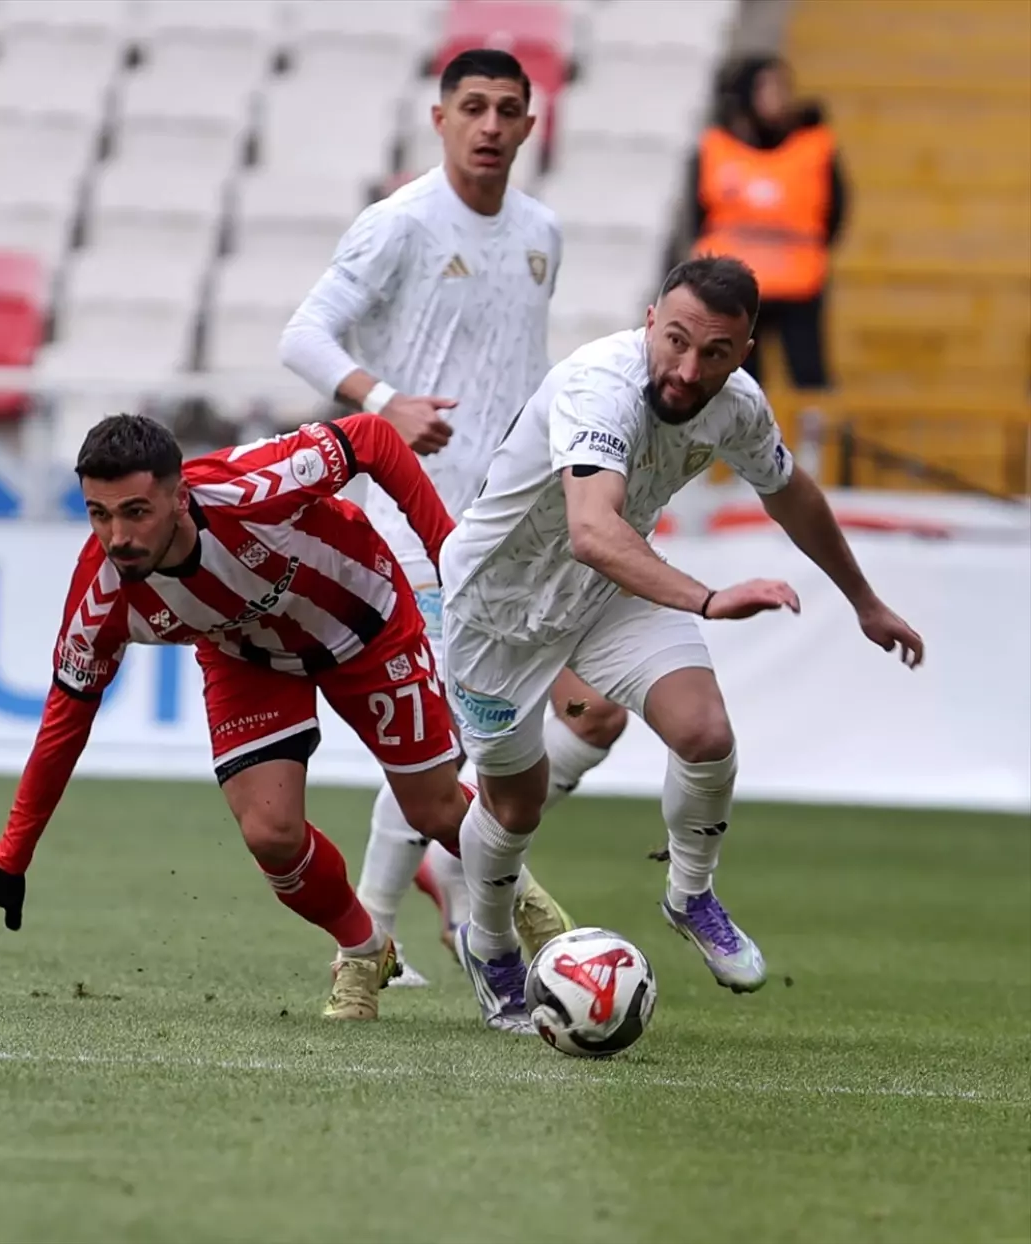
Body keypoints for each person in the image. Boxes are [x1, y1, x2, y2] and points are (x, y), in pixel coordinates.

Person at [439, 256, 924, 1032]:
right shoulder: (599, 387)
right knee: (516, 804)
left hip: (606, 594)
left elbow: (789, 492)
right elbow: (593, 531)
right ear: (650, 320)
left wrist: (864, 602)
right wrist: (707, 598)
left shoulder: (737, 405)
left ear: (745, 350)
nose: (690, 369)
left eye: (716, 352)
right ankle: (490, 944)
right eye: (676, 341)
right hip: (498, 610)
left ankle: (690, 894)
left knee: (704, 733)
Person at [280, 48, 627, 983]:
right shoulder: (400, 224)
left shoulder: (542, 230)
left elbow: (520, 367)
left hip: (519, 521)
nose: (489, 125)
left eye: (507, 109)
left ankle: (457, 864)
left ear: (530, 126)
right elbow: (303, 335)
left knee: (595, 712)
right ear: (440, 119)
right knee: (445, 734)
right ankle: (375, 936)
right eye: (472, 106)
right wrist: (384, 401)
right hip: (413, 517)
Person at [0, 411, 473, 1023]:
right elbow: (64, 724)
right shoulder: (101, 596)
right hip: (248, 657)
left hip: (363, 622)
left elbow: (373, 438)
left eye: (135, 512)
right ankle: (363, 949)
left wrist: (449, 556)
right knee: (270, 833)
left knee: (436, 813)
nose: (117, 536)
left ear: (179, 496)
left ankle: (518, 906)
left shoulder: (252, 486)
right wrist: (10, 859)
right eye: (99, 514)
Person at [688, 55, 849, 391]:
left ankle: (810, 429)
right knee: (739, 383)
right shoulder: (716, 147)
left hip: (799, 282)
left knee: (809, 379)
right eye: (768, 88)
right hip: (732, 288)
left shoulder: (814, 145)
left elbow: (835, 210)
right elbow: (698, 214)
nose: (779, 97)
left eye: (783, 88)